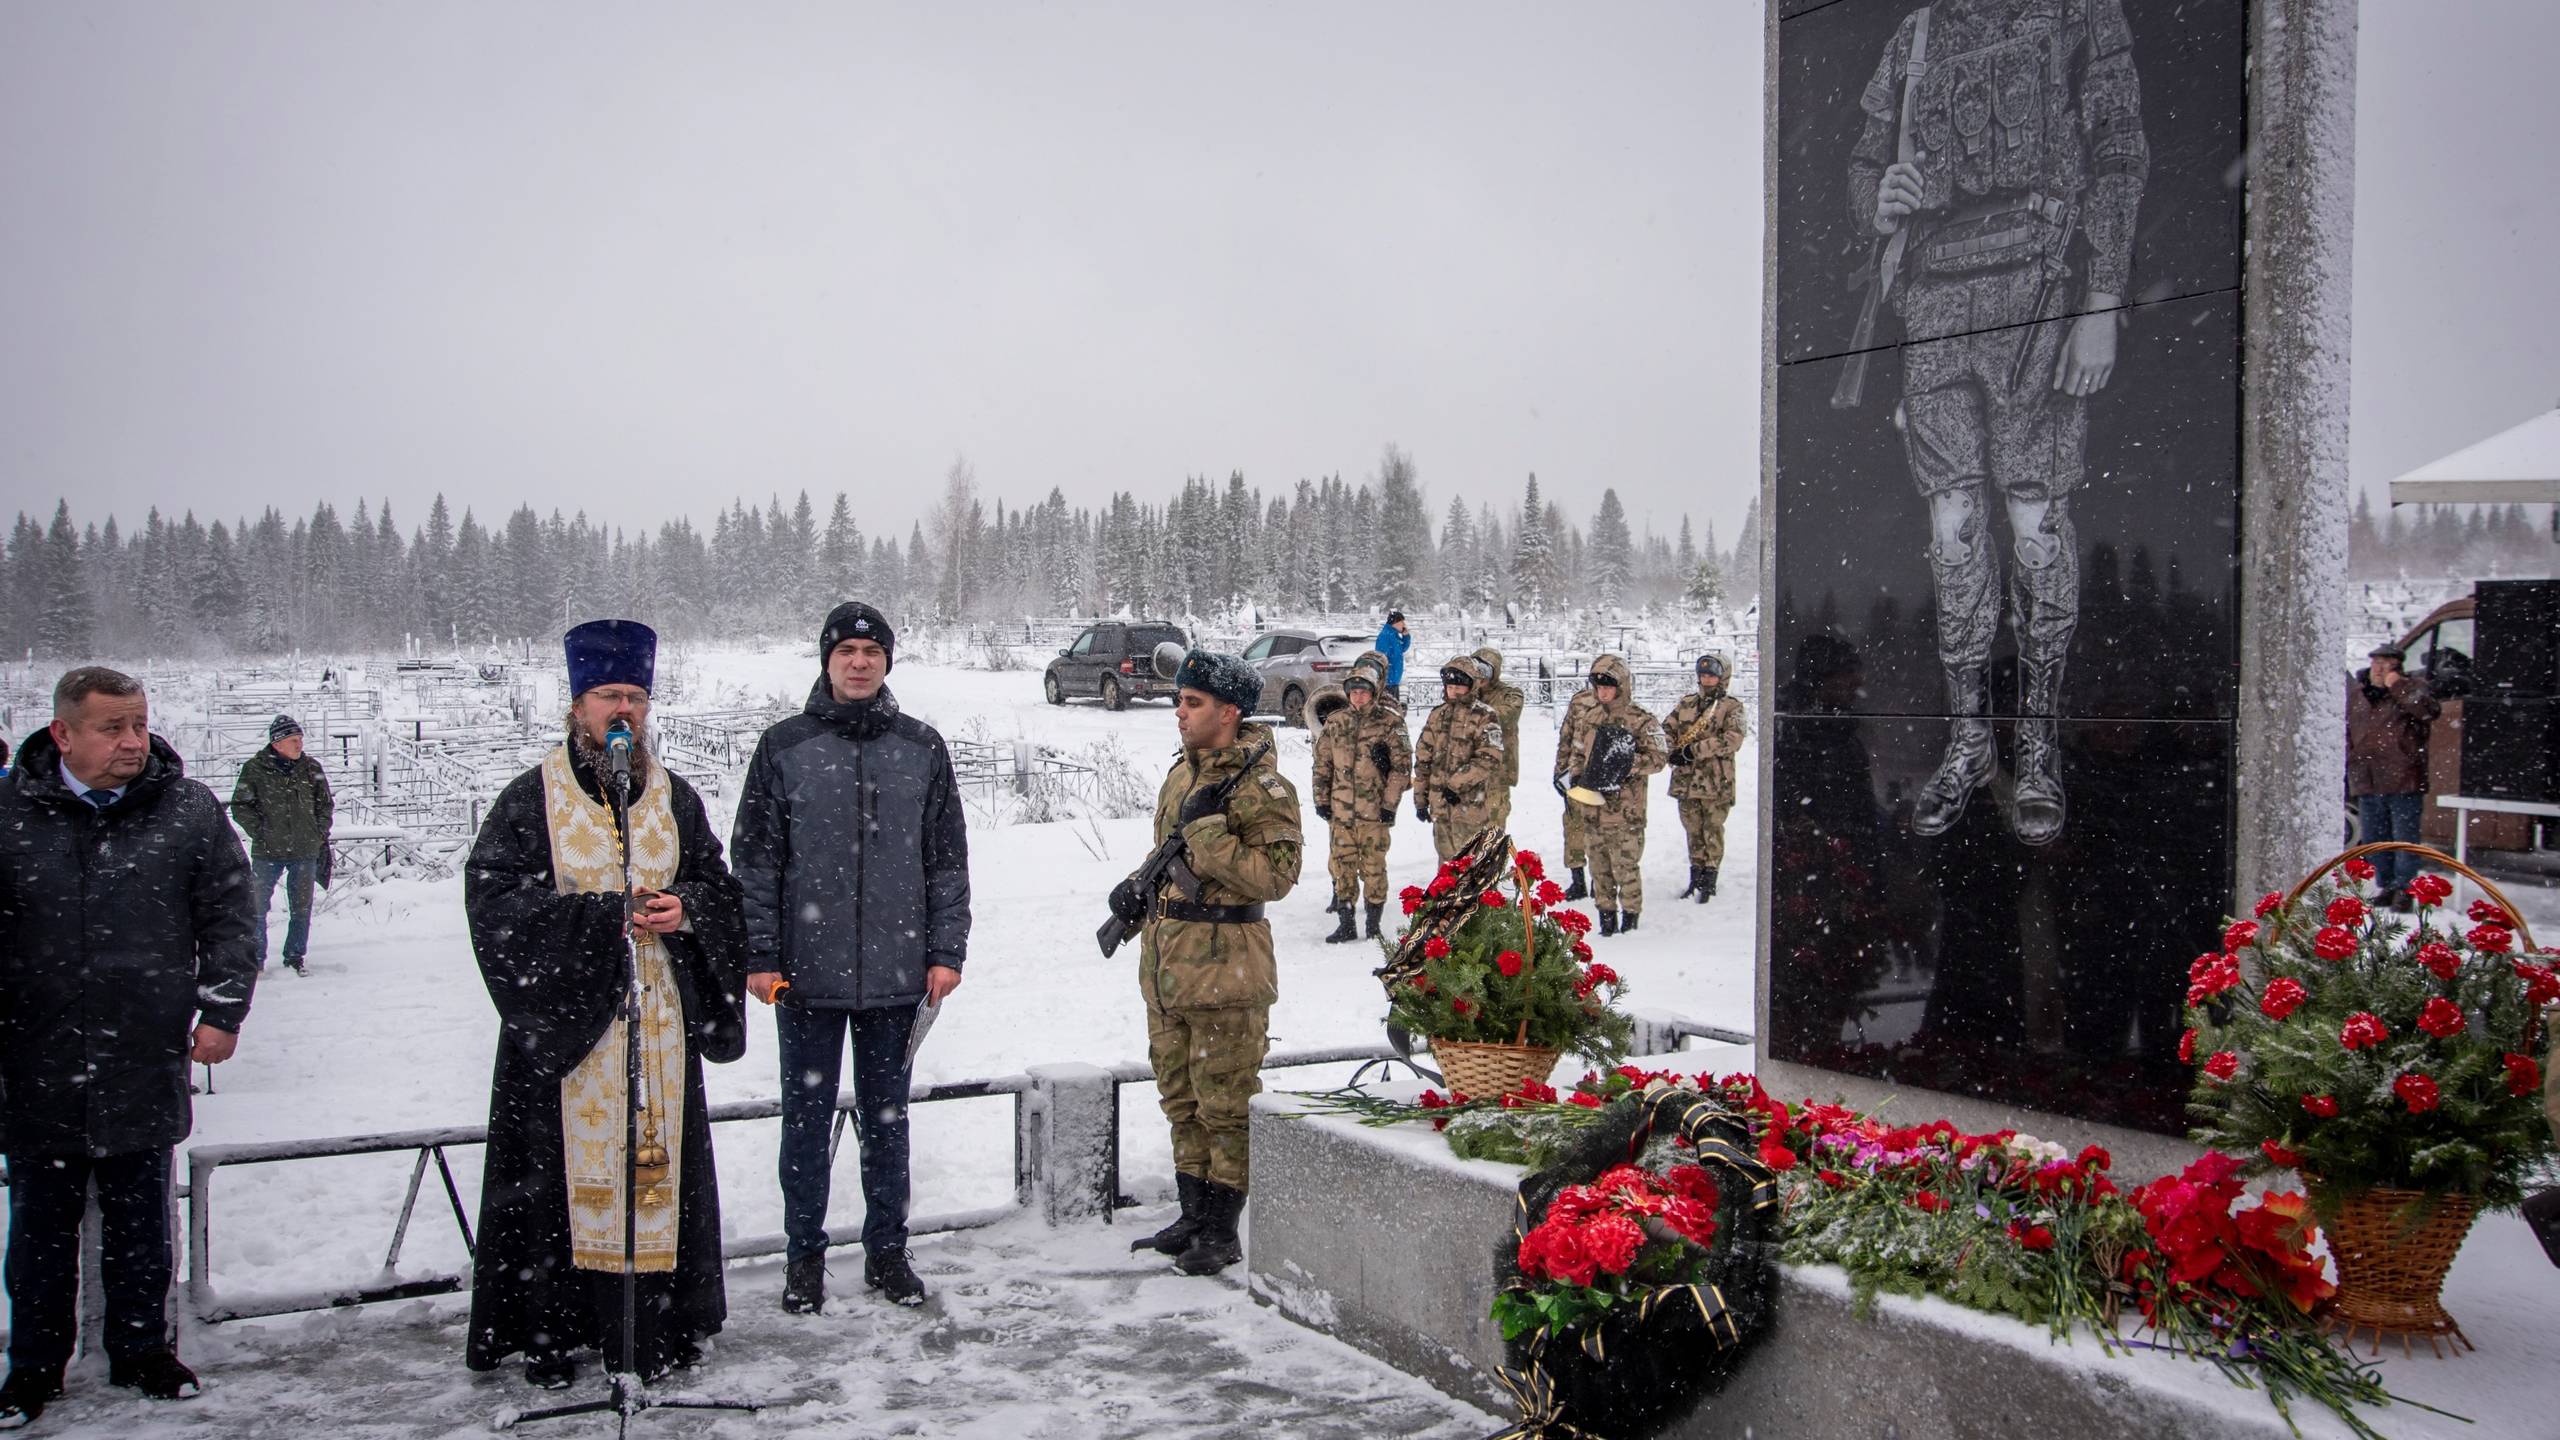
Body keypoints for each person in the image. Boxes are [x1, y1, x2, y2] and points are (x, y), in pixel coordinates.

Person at [1852, 0, 2148, 847]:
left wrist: (2101, 297)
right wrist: (1878, 197)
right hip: (1935, 296)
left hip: (2038, 283)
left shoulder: (2078, 12)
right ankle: (1972, 738)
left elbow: (2120, 147)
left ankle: (2041, 741)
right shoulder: (1916, 33)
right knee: (1951, 530)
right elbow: (1866, 160)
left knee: (2035, 525)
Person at [462, 620, 749, 1391]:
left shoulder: (672, 799)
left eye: (633, 696)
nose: (622, 709)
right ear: (578, 705)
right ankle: (556, 1331)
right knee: (557, 1186)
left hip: (657, 1026)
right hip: (569, 1034)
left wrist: (683, 911)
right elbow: (494, 902)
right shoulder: (533, 798)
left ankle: (653, 1326)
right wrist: (596, 919)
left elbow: (723, 892)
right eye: (606, 696)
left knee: (656, 1175)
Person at [0, 667, 256, 1428]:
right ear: (63, 734)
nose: (131, 742)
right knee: (39, 1226)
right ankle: (35, 1367)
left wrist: (222, 1008)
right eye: (112, 728)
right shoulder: (11, 813)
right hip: (35, 1056)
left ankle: (144, 1350)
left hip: (144, 1052)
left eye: (139, 725)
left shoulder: (183, 811)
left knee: (142, 1219)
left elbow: (230, 915)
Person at [731, 601, 971, 1314]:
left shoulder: (922, 748)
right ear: (827, 662)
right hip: (805, 979)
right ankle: (804, 1258)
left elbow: (946, 861)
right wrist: (761, 955)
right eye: (847, 653)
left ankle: (887, 1253)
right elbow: (755, 862)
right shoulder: (785, 746)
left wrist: (945, 949)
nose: (860, 663)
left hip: (899, 978)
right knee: (804, 1125)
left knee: (887, 1122)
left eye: (872, 651)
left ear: (888, 662)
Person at [1111, 650, 1300, 1275]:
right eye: (1179, 701)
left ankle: (1222, 1229)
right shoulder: (1181, 775)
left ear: (1229, 712)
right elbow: (1170, 854)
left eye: (1192, 704)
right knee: (1180, 1097)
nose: (1179, 713)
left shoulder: (1261, 786)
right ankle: (1192, 1214)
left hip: (1227, 969)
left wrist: (1210, 833)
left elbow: (1276, 877)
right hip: (1168, 968)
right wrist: (1136, 888)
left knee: (1225, 1103)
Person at [1554, 655, 1667, 934]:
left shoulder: (1641, 720)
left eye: (1609, 686)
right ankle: (1606, 921)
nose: (1603, 692)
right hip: (1593, 809)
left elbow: (1659, 757)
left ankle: (1630, 923)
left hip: (1625, 812)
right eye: (1598, 686)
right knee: (1599, 871)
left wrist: (1627, 764)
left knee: (1625, 869)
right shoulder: (1589, 717)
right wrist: (1576, 775)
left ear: (1622, 686)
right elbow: (1578, 752)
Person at [229, 713, 333, 976]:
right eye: (293, 740)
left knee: (301, 908)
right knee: (257, 907)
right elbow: (241, 806)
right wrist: (262, 832)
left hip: (304, 849)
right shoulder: (255, 769)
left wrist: (317, 833)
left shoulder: (311, 768)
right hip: (268, 851)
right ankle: (257, 959)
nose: (299, 745)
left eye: (300, 739)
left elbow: (325, 804)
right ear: (277, 744)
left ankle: (295, 957)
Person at [1310, 671, 1411, 943]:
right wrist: (1321, 799)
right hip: (1341, 813)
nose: (1358, 697)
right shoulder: (1336, 722)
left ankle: (1373, 924)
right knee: (1343, 866)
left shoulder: (1390, 723)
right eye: (1353, 692)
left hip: (1374, 813)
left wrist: (1389, 804)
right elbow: (1322, 766)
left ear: (1374, 692)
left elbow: (1402, 768)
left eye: (1364, 691)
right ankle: (1346, 923)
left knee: (1374, 868)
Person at [2346, 643, 2441, 909]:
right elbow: (2349, 732)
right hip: (2367, 779)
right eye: (2376, 663)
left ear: (2397, 667)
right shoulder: (2359, 695)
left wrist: (2397, 685)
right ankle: (2386, 885)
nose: (2379, 669)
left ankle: (2405, 889)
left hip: (2403, 780)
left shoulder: (2412, 689)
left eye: (2386, 664)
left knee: (2404, 839)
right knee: (2376, 839)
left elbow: (2428, 710)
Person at [1663, 653, 1749, 904]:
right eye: (1703, 675)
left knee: (1712, 830)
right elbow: (1665, 729)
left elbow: (1732, 739)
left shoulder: (1731, 707)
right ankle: (1695, 877)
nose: (1707, 679)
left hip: (1715, 783)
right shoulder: (1686, 704)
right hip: (1686, 783)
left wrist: (1693, 751)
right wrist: (1672, 750)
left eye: (1712, 675)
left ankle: (1709, 880)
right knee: (1692, 831)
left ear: (1722, 677)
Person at [1411, 656, 1506, 861]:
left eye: (1459, 687)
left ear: (1471, 686)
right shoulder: (1437, 716)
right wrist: (1420, 798)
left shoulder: (1484, 715)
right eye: (1449, 686)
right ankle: (1448, 894)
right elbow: (1423, 759)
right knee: (1446, 867)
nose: (1453, 691)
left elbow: (1489, 757)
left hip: (1470, 806)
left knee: (1471, 863)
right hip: (1440, 806)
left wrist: (1455, 785)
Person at [1554, 675, 1602, 901]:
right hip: (1575, 775)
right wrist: (1559, 771)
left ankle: (1600, 880)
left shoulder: (1622, 708)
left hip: (1602, 778)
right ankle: (1578, 880)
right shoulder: (1580, 701)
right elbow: (1566, 737)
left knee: (1599, 830)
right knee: (1573, 827)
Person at [1471, 646, 1526, 832]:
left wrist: (1474, 715)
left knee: (1494, 822)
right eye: (1476, 670)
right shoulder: (1468, 693)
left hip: (1498, 771)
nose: (1480, 676)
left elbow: (1506, 715)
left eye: (1485, 671)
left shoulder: (1510, 694)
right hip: (1469, 770)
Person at [1373, 610, 1412, 691]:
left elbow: (1403, 648)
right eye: (1402, 622)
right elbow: (1382, 658)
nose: (1404, 625)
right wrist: (1388, 678)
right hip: (1388, 683)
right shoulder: (1385, 636)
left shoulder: (1394, 635)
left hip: (1393, 681)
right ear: (1396, 622)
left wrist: (1406, 636)